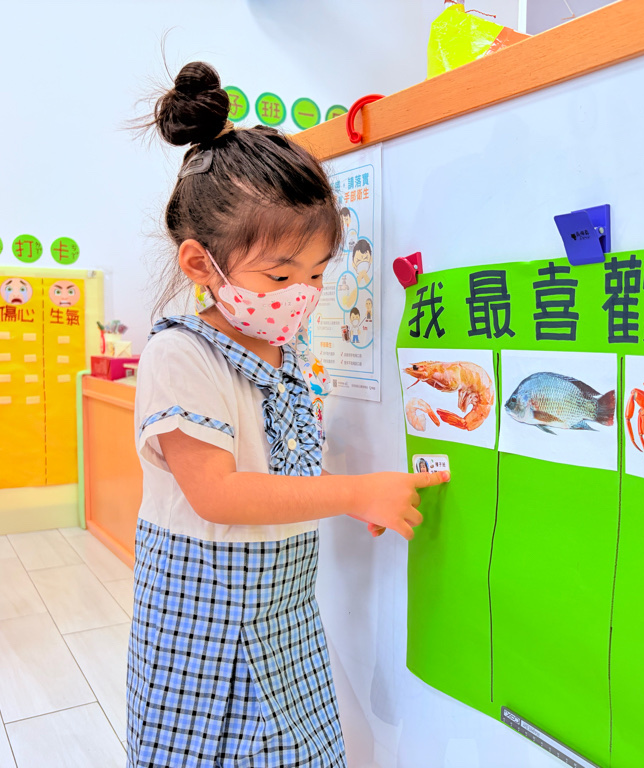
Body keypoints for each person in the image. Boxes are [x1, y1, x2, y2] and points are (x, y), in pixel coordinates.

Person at [128, 62, 448, 768]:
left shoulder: (287, 348)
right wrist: (354, 492)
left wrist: (357, 490)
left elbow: (289, 465)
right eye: (279, 275)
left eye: (316, 274)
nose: (301, 294)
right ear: (200, 264)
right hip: (204, 623)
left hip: (283, 610)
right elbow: (218, 494)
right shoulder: (180, 355)